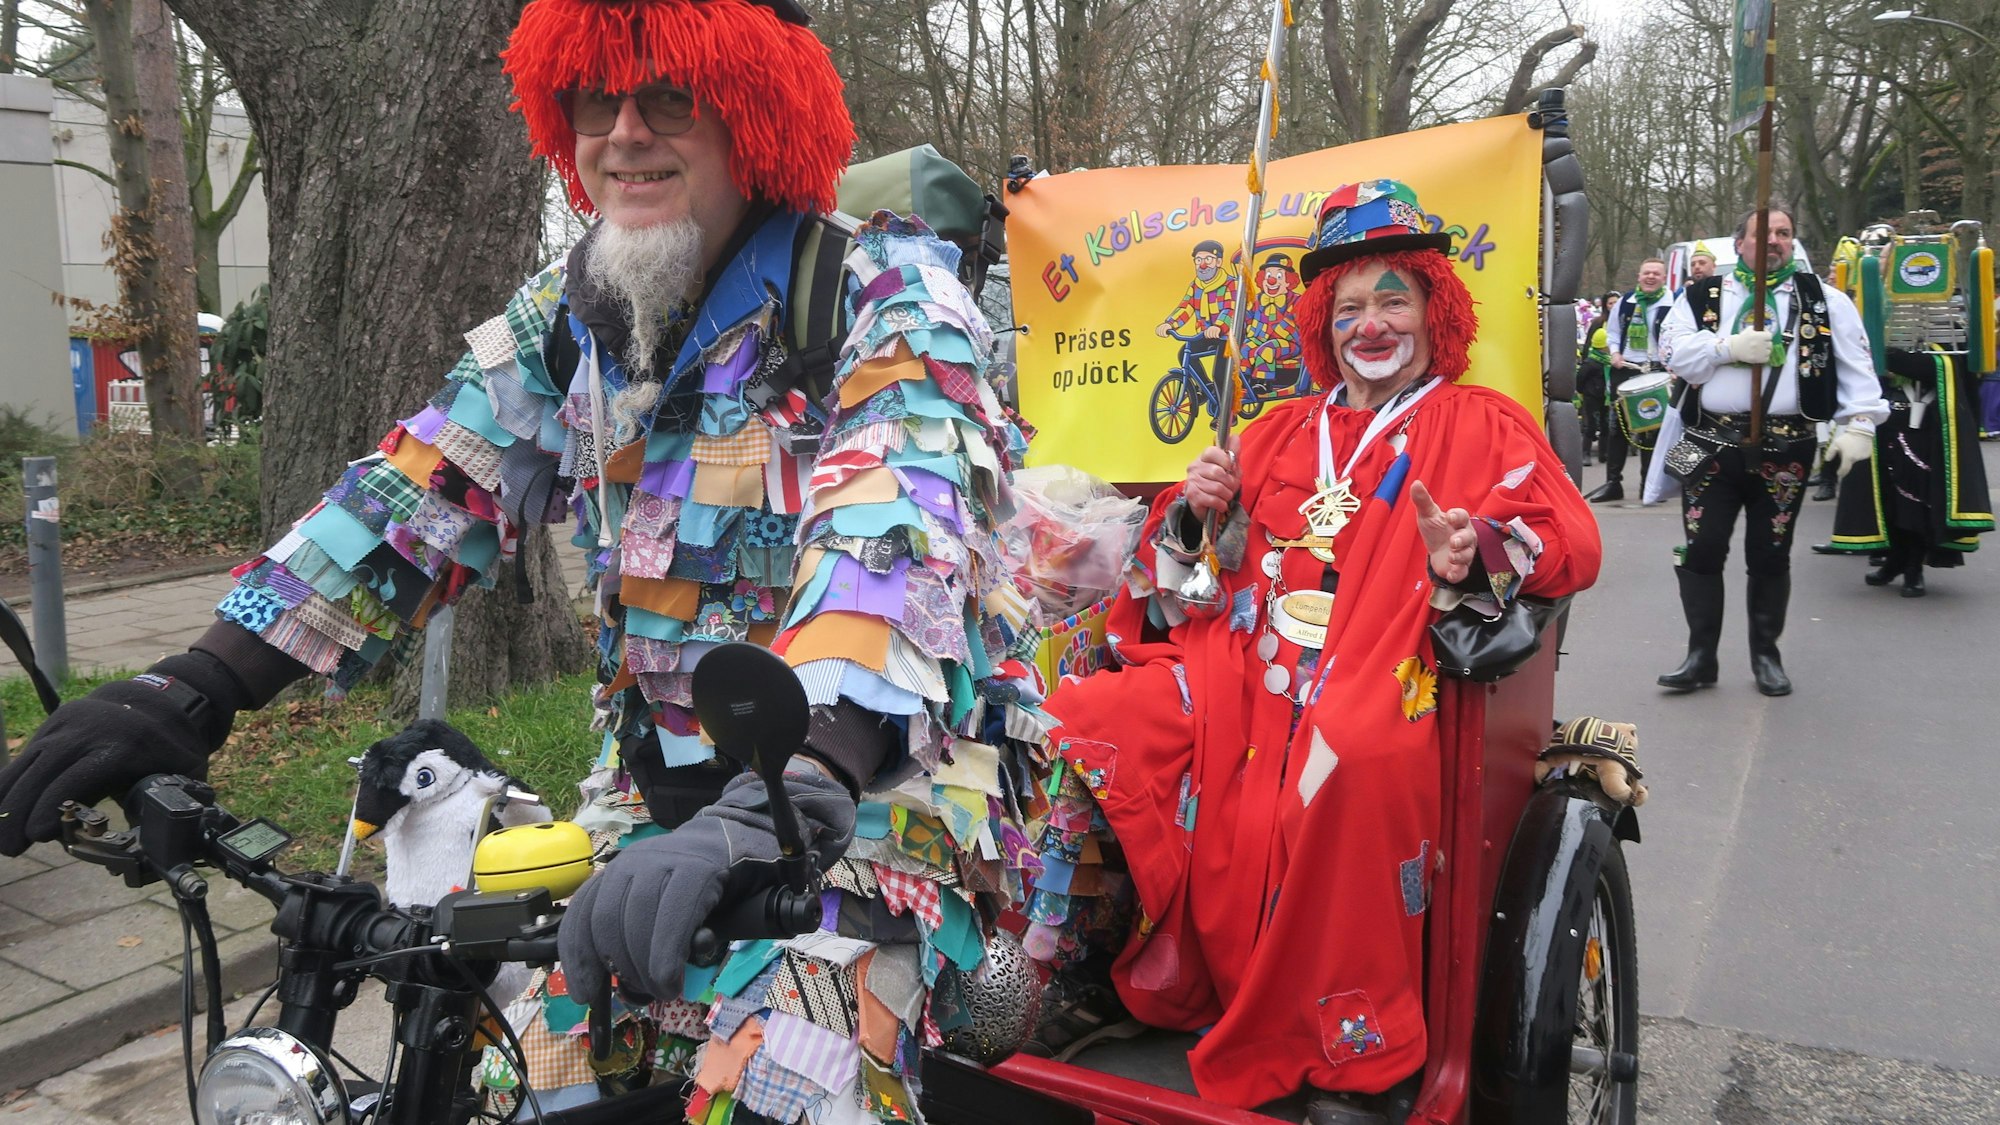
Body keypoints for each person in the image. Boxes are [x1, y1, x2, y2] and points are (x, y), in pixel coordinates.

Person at [0, 0, 1041, 1115]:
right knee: (518, 1080)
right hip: (651, 811)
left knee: (786, 1083)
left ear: (756, 110)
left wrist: (788, 790)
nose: (625, 133)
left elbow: (894, 541)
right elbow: (421, 491)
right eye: (597, 98)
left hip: (862, 804)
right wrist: (198, 684)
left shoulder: (886, 293)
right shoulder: (572, 310)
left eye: (671, 97)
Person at [1026, 179, 1602, 1115]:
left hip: (1387, 670)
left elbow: (1569, 538)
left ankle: (1358, 1051)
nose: (1369, 324)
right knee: (1088, 714)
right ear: (1322, 326)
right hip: (1238, 676)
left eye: (1392, 300)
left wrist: (1476, 549)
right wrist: (1195, 513)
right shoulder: (1274, 432)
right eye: (1348, 308)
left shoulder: (1481, 421)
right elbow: (1177, 584)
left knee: (1353, 752)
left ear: (1435, 311)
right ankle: (1082, 963)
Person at [1656, 204, 1888, 695]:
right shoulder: (1700, 295)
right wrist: (1727, 348)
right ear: (1739, 243)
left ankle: (1766, 655)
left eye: (1784, 233)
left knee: (1770, 552)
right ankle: (1700, 657)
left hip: (1787, 449)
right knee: (1701, 549)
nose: (1774, 241)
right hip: (1709, 444)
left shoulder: (1823, 300)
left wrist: (1861, 424)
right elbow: (1672, 354)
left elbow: (1856, 367)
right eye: (1764, 233)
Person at [1824, 347, 1994, 594]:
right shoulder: (1875, 337)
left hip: (1925, 433)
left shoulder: (1951, 338)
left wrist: (1886, 356)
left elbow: (1940, 368)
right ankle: (1895, 560)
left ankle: (1913, 568)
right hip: (1885, 428)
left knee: (1913, 504)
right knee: (1887, 500)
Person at [1589, 258, 1673, 502]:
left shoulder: (1672, 302)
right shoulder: (1626, 302)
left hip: (1657, 371)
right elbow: (1613, 332)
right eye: (1646, 273)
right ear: (1639, 276)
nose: (1650, 277)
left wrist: (1673, 363)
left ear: (1664, 278)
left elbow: (1677, 336)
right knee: (1618, 428)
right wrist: (1615, 353)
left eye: (1656, 273)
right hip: (1626, 369)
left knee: (1652, 429)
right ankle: (1613, 483)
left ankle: (1650, 485)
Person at [1158, 238, 1238, 387]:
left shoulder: (1230, 283)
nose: (1203, 264)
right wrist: (1170, 324)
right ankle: (1205, 387)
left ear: (1218, 262)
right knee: (1184, 354)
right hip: (1205, 335)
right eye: (1199, 260)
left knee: (1220, 374)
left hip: (1229, 336)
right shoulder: (1196, 286)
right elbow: (1186, 307)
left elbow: (1230, 309)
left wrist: (1218, 326)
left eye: (1208, 259)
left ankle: (1224, 401)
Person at [1578, 292, 1619, 465]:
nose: (1613, 306)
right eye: (1610, 303)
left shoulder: (1622, 320)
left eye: (1616, 303)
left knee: (1606, 424)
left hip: (1607, 391)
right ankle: (1585, 453)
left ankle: (1605, 453)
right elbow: (1581, 377)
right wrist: (1582, 390)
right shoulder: (1598, 323)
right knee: (1591, 424)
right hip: (1593, 393)